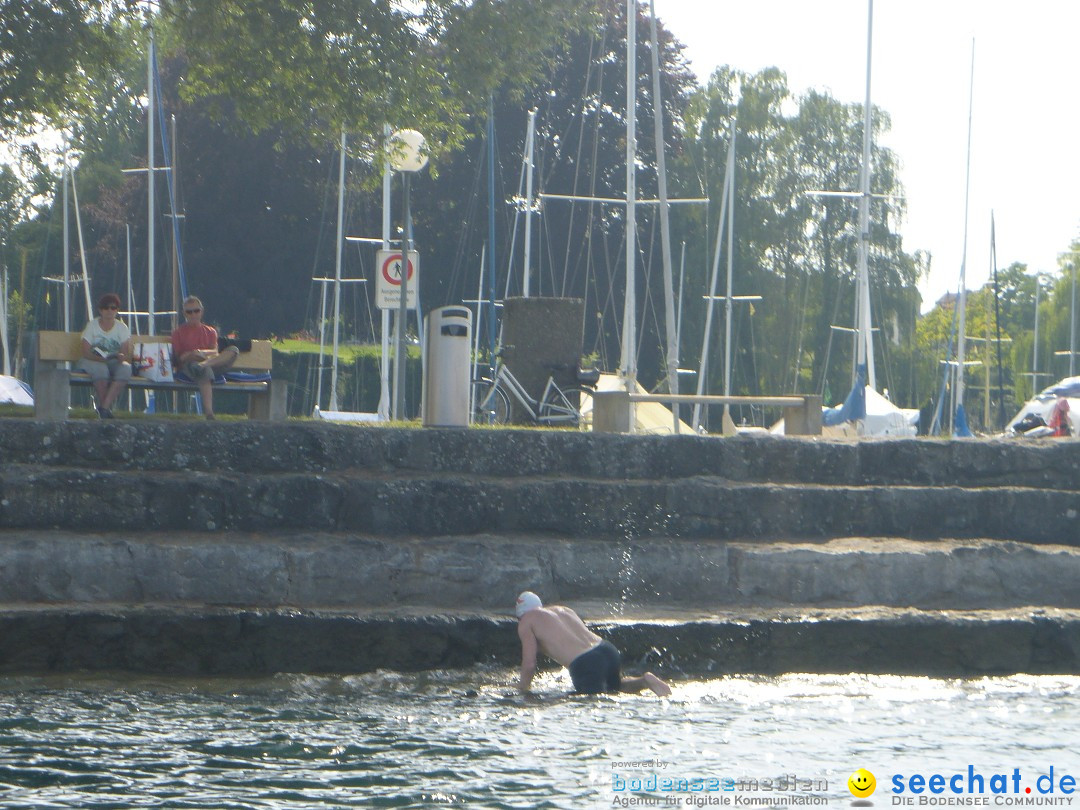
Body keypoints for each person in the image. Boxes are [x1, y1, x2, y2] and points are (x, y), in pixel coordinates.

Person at [514, 591, 671, 697]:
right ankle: (644, 680)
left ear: (520, 614)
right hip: (606, 650)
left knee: (589, 705)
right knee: (614, 688)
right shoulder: (563, 610)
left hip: (585, 663)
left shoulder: (526, 621)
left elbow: (529, 664)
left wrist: (522, 690)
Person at [170, 295, 238, 420]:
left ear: (201, 312)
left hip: (211, 362)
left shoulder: (211, 331)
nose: (193, 314)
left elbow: (215, 351)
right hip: (189, 365)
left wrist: (202, 353)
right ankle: (209, 413)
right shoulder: (178, 333)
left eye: (196, 311)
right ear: (184, 314)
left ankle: (204, 365)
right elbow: (179, 359)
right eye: (189, 312)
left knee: (233, 350)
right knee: (204, 371)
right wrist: (192, 354)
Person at [77, 292, 133, 419]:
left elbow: (124, 351)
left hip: (113, 361)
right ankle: (105, 411)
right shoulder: (92, 326)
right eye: (105, 307)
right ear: (100, 310)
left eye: (113, 308)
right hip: (91, 359)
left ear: (117, 310)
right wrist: (100, 358)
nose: (109, 311)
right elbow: (85, 351)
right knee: (101, 369)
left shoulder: (122, 327)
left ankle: (104, 408)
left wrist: (121, 356)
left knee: (126, 369)